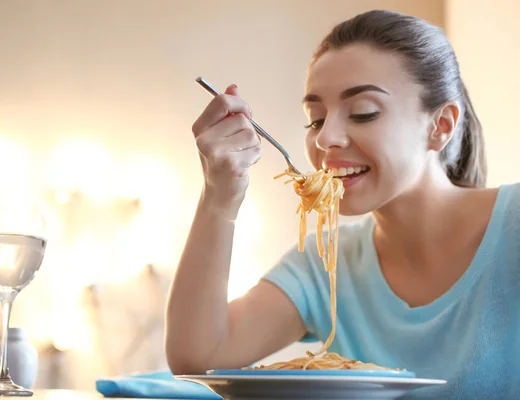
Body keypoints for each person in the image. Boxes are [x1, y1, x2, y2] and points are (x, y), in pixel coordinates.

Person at [165, 9, 520, 399]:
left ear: (441, 125)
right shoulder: (325, 262)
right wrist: (219, 196)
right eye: (315, 120)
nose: (325, 139)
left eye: (363, 113)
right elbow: (199, 358)